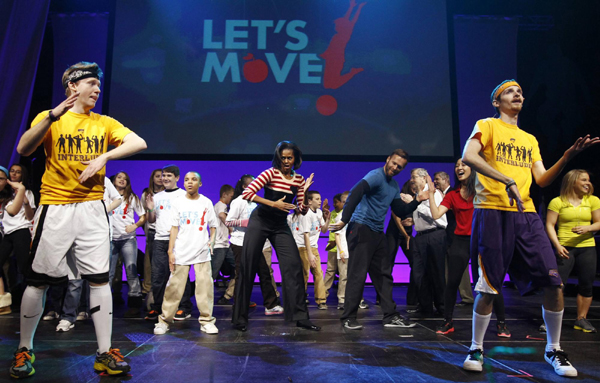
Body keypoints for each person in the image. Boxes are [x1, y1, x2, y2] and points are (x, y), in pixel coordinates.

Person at [11, 61, 146, 378]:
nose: (97, 89)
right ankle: (24, 350)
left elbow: (138, 142)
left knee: (99, 279)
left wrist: (104, 156)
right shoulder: (50, 120)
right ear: (73, 86)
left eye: (98, 85)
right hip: (56, 207)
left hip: (92, 208)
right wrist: (52, 115)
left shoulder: (104, 122)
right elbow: (23, 147)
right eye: (91, 83)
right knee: (38, 281)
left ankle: (104, 353)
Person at [461, 79, 598, 377]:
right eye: (510, 91)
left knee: (554, 282)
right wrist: (505, 179)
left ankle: (554, 349)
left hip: (526, 215)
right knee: (488, 287)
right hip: (492, 212)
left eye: (520, 91)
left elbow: (542, 180)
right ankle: (476, 347)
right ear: (497, 102)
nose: (517, 94)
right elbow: (469, 157)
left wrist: (567, 156)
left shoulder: (529, 139)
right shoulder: (486, 125)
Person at [331, 149, 426, 330]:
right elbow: (355, 192)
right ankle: (348, 317)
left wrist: (417, 200)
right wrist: (344, 219)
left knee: (384, 274)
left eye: (400, 167)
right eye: (394, 163)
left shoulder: (394, 186)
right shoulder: (375, 176)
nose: (395, 168)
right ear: (388, 159)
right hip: (361, 228)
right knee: (357, 274)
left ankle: (390, 315)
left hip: (376, 232)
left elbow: (399, 210)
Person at [232, 141, 319, 331]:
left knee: (293, 266)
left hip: (280, 224)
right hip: (261, 220)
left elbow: (302, 211)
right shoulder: (270, 173)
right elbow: (247, 193)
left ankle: (300, 317)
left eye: (290, 158)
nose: (286, 161)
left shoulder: (298, 179)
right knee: (248, 266)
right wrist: (272, 203)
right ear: (278, 158)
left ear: (295, 159)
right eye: (283, 157)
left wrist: (303, 191)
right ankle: (239, 319)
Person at [153, 172, 219, 335]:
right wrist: (170, 251)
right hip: (181, 250)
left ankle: (206, 320)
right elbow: (174, 227)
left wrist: (212, 241)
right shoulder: (178, 202)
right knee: (174, 288)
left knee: (204, 288)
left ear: (200, 184)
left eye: (194, 179)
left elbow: (213, 225)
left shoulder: (206, 202)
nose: (190, 182)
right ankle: (164, 320)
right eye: (187, 180)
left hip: (202, 251)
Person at [546, 169, 599, 333]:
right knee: (557, 285)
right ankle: (552, 319)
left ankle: (581, 319)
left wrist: (588, 228)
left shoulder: (593, 200)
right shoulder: (557, 202)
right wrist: (557, 245)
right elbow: (549, 225)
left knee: (586, 285)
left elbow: (598, 223)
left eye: (588, 180)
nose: (587, 183)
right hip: (565, 248)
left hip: (587, 247)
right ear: (572, 181)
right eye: (583, 180)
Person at [224, 175, 283, 314]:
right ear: (245, 187)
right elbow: (228, 221)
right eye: (251, 185)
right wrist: (243, 222)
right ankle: (239, 306)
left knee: (264, 272)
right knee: (242, 274)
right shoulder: (238, 202)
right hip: (240, 242)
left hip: (255, 242)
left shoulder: (256, 203)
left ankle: (270, 305)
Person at [145, 165, 193, 321]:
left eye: (169, 176)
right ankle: (157, 307)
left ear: (177, 178)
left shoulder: (184, 195)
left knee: (180, 275)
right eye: (163, 175)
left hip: (179, 240)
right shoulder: (157, 196)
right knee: (158, 276)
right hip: (159, 240)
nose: (164, 178)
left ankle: (184, 307)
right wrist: (150, 209)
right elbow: (152, 220)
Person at [409, 168, 447, 318]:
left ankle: (442, 306)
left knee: (436, 272)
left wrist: (415, 203)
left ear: (424, 178)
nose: (412, 180)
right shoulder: (418, 196)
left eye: (414, 177)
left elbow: (434, 215)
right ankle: (425, 305)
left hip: (435, 235)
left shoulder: (434, 193)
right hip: (420, 237)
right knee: (420, 273)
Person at [109, 171, 146, 317]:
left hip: (128, 239)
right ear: (113, 181)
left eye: (125, 179)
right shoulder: (107, 197)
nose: (122, 180)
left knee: (131, 271)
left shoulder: (132, 198)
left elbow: (143, 217)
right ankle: (105, 304)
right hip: (111, 238)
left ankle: (134, 304)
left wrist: (135, 226)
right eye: (119, 177)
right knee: (109, 273)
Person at [0, 164, 35, 313]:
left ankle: (33, 299)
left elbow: (30, 216)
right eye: (12, 171)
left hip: (21, 230)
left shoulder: (27, 192)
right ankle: (4, 301)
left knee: (23, 267)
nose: (14, 174)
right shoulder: (6, 194)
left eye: (18, 172)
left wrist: (25, 199)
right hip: (6, 233)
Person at [298, 190, 330, 309]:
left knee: (318, 273)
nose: (320, 201)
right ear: (309, 201)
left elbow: (324, 230)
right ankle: (300, 299)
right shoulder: (306, 215)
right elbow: (306, 235)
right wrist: (310, 254)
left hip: (314, 248)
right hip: (304, 248)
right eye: (317, 199)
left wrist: (327, 219)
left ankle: (321, 300)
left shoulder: (319, 212)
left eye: (320, 198)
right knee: (305, 273)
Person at [140, 169, 165, 306]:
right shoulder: (147, 194)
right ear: (152, 178)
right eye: (157, 176)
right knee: (149, 263)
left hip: (164, 231)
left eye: (162, 176)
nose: (160, 179)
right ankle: (147, 290)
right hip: (151, 231)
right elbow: (145, 214)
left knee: (162, 263)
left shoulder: (167, 194)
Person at [211, 184, 236, 297]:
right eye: (231, 196)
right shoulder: (221, 205)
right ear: (224, 194)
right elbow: (222, 216)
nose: (231, 198)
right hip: (219, 246)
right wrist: (231, 228)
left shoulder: (221, 206)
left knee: (239, 267)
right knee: (212, 273)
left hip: (225, 245)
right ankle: (202, 298)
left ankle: (234, 294)